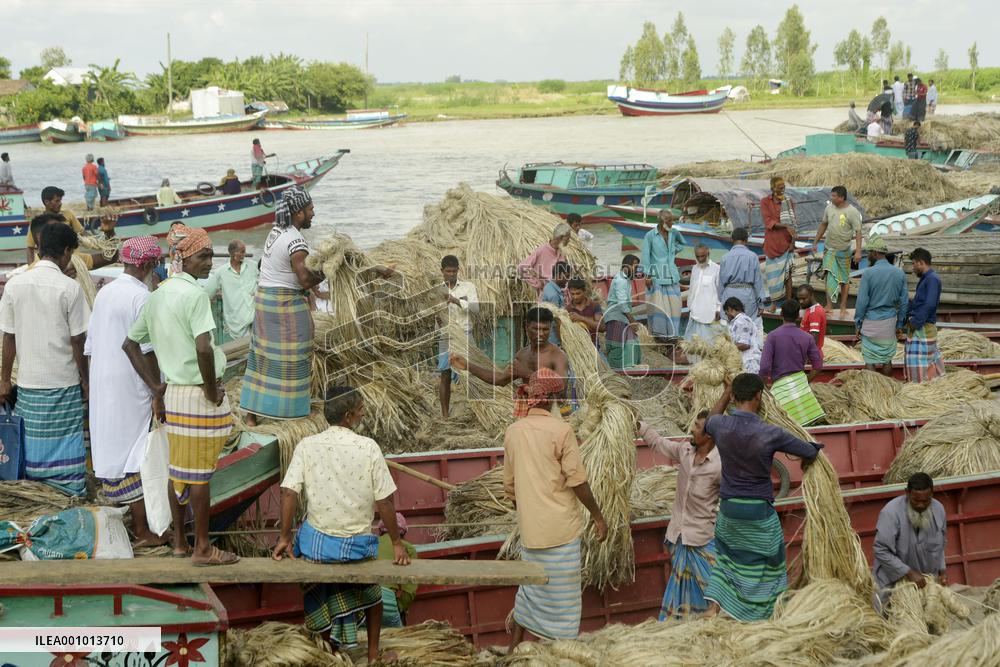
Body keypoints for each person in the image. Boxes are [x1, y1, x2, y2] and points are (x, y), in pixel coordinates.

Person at [124, 225, 238, 566]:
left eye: (211, 255)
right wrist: (211, 390)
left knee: (179, 471)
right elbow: (204, 348)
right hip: (197, 394)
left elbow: (130, 344)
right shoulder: (195, 296)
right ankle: (202, 548)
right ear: (183, 258)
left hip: (174, 394)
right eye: (204, 256)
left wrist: (157, 387)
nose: (210, 262)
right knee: (199, 473)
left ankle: (179, 541)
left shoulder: (158, 295)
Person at [271, 386, 410, 662]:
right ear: (348, 416)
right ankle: (373, 655)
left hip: (317, 549)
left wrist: (284, 538)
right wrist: (396, 543)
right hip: (357, 549)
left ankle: (327, 653)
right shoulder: (368, 447)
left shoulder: (306, 445)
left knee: (319, 588)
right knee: (373, 597)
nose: (363, 413)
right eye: (360, 410)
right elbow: (384, 501)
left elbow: (288, 492)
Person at [703, 374, 821, 621]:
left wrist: (725, 392)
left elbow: (709, 422)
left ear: (733, 396)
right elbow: (809, 451)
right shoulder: (770, 432)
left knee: (726, 560)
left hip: (729, 510)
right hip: (758, 512)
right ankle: (763, 617)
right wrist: (813, 450)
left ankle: (714, 610)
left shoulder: (721, 426)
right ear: (759, 396)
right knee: (771, 564)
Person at [503, 372, 607, 648]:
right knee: (563, 606)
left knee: (529, 594)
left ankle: (514, 650)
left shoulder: (514, 432)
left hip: (531, 535)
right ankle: (560, 652)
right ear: (551, 398)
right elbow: (577, 481)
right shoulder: (562, 431)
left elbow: (510, 488)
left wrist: (529, 512)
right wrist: (598, 517)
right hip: (561, 533)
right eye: (560, 395)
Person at [85, 237, 166, 545]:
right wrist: (157, 391)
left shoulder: (105, 292)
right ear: (148, 265)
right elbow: (146, 350)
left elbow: (90, 346)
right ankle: (143, 530)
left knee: (115, 449)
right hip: (132, 384)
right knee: (137, 453)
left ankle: (135, 522)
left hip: (104, 379)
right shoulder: (142, 297)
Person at [0, 223, 89, 496]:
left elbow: (9, 338)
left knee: (32, 444)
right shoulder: (70, 288)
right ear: (66, 251)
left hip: (29, 382)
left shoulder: (14, 285)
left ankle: (35, 493)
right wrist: (86, 379)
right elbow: (78, 340)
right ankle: (67, 492)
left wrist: (4, 380)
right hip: (63, 382)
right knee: (66, 442)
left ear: (39, 248)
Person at [241, 186, 325, 426]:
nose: (313, 213)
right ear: (298, 213)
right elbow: (305, 280)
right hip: (286, 303)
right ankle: (293, 412)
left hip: (264, 302)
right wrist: (328, 269)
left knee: (262, 356)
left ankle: (251, 415)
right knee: (296, 355)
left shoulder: (276, 231)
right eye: (310, 209)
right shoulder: (295, 240)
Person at [638, 411, 721, 619]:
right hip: (678, 538)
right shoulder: (685, 451)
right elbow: (659, 443)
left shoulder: (720, 465)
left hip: (703, 540)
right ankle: (685, 628)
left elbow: (732, 498)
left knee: (715, 596)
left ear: (709, 435)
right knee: (683, 599)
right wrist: (639, 425)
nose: (691, 429)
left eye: (697, 426)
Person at [451, 307, 570, 415]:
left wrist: (527, 374)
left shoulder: (558, 355)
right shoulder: (522, 355)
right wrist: (467, 365)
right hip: (529, 412)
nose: (541, 334)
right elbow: (500, 379)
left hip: (553, 412)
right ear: (526, 327)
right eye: (536, 329)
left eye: (545, 329)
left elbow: (561, 389)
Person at [873, 473, 947, 611]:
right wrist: (908, 572)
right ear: (907, 493)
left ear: (932, 494)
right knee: (886, 617)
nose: (921, 505)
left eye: (926, 501)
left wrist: (942, 570)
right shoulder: (890, 513)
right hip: (891, 582)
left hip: (923, 583)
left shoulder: (939, 510)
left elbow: (940, 544)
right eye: (916, 500)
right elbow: (880, 550)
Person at [759, 301, 825, 426]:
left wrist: (764, 389)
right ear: (798, 316)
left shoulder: (772, 336)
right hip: (801, 387)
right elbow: (818, 366)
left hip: (780, 389)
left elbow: (764, 368)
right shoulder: (807, 337)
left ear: (781, 315)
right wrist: (806, 380)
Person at [855, 235, 908, 376]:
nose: (868, 256)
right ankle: (886, 385)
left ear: (875, 253)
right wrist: (900, 324)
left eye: (869, 253)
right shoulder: (899, 273)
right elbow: (904, 302)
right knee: (887, 360)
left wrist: (858, 323)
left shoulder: (868, 274)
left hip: (870, 322)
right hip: (889, 322)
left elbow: (862, 302)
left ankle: (874, 387)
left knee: (869, 360)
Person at [438, 254, 479, 419]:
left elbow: (476, 309)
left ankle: (478, 411)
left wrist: (456, 301)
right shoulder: (436, 290)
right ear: (442, 271)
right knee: (445, 375)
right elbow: (430, 313)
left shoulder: (468, 287)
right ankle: (445, 416)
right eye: (448, 271)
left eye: (454, 271)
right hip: (446, 337)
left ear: (458, 270)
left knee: (472, 373)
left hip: (465, 334)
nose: (451, 274)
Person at [813, 185, 863, 318]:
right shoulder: (829, 208)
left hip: (844, 250)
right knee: (829, 275)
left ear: (841, 198)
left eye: (834, 196)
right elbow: (823, 224)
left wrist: (858, 251)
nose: (831, 198)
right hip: (829, 248)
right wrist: (816, 241)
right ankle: (829, 305)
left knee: (844, 280)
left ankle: (843, 306)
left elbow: (858, 232)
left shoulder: (852, 212)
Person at [641, 210, 686, 349]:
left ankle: (673, 336)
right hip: (657, 277)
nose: (671, 223)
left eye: (672, 220)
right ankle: (660, 337)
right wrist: (647, 275)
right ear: (661, 221)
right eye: (669, 220)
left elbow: (683, 243)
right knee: (659, 309)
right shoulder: (650, 235)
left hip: (672, 275)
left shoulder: (674, 233)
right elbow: (645, 256)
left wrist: (673, 251)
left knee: (675, 308)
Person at [202, 240, 259, 341]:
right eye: (242, 251)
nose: (244, 254)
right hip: (237, 322)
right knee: (243, 348)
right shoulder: (221, 272)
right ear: (233, 253)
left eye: (244, 251)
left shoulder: (253, 266)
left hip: (255, 318)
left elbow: (264, 282)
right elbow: (207, 293)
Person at [904, 248, 945, 384]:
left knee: (921, 366)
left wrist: (915, 322)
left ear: (921, 262)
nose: (913, 267)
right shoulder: (926, 279)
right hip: (920, 326)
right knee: (922, 364)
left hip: (923, 327)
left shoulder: (932, 279)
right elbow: (919, 303)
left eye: (914, 263)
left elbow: (929, 304)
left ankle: (922, 391)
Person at [374, 513, 419, 627]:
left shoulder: (370, 545)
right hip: (387, 601)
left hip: (363, 601)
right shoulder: (407, 549)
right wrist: (400, 607)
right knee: (397, 637)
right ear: (403, 533)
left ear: (380, 531)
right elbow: (409, 591)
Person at [760, 177, 796, 312]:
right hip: (772, 244)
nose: (782, 189)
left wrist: (792, 243)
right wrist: (785, 226)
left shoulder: (789, 201)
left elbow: (794, 223)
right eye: (780, 187)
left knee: (788, 274)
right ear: (773, 188)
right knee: (772, 275)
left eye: (783, 187)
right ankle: (774, 304)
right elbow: (768, 222)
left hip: (787, 242)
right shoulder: (765, 202)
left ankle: (788, 304)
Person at [718, 227, 766, 325]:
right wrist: (761, 304)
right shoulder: (753, 257)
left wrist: (722, 300)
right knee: (747, 326)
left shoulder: (724, 258)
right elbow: (758, 283)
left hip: (729, 295)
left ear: (732, 239)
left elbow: (721, 284)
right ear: (746, 240)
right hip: (748, 297)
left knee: (730, 327)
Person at [605, 255, 642, 369]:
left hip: (621, 318)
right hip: (616, 318)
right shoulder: (621, 281)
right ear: (627, 266)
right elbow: (622, 304)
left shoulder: (625, 280)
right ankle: (613, 370)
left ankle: (627, 367)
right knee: (616, 346)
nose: (637, 270)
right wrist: (632, 320)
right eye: (635, 267)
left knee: (629, 343)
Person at [518, 223, 571, 298]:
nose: (569, 241)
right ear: (560, 237)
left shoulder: (561, 253)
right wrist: (538, 284)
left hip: (561, 294)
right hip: (547, 296)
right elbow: (521, 268)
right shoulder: (541, 251)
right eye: (568, 238)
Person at [685, 243, 722, 347]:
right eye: (698, 256)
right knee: (693, 345)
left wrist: (719, 308)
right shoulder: (694, 269)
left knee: (710, 345)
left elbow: (720, 291)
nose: (700, 259)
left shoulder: (716, 269)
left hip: (710, 313)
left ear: (708, 254)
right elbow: (692, 289)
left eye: (703, 256)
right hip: (695, 312)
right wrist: (689, 306)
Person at [723, 297, 762, 374]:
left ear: (730, 309)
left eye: (726, 313)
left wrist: (725, 348)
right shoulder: (741, 320)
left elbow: (744, 345)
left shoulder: (741, 320)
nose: (727, 316)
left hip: (748, 364)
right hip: (746, 362)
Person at [566, 278, 603, 347]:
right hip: (576, 347)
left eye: (578, 293)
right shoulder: (567, 309)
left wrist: (581, 318)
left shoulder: (594, 305)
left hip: (593, 345)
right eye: (572, 294)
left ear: (584, 291)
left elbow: (601, 327)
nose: (575, 297)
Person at [540, 260, 570, 345]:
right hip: (554, 338)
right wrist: (562, 341)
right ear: (559, 275)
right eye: (566, 276)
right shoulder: (553, 294)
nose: (567, 280)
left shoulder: (549, 287)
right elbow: (557, 320)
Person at [797, 284, 826, 356]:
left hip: (810, 356)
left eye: (804, 299)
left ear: (811, 295)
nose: (801, 301)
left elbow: (814, 337)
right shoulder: (810, 309)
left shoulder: (815, 312)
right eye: (799, 299)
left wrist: (807, 356)